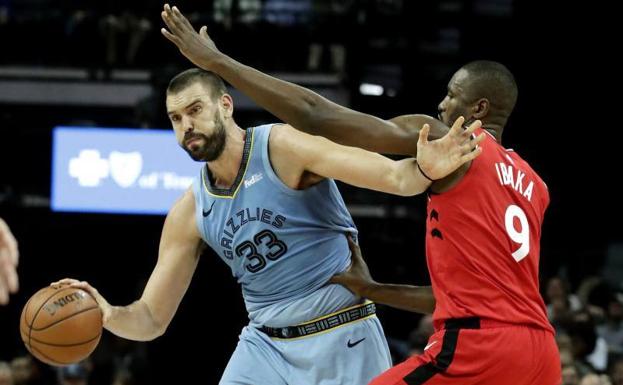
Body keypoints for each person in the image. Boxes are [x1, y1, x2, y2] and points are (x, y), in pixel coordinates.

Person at [159, 4, 561, 384]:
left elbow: (314, 116)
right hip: (540, 350)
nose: (442, 104)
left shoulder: (447, 140)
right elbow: (462, 298)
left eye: (453, 95)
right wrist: (373, 290)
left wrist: (218, 63)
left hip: (480, 345)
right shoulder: (534, 185)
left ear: (477, 110)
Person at [54, 65, 482, 385]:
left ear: (225, 105)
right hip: (265, 347)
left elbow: (394, 178)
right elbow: (150, 319)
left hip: (341, 332)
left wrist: (427, 166)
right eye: (175, 118)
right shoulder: (189, 210)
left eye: (195, 110)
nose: (186, 126)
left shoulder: (282, 146)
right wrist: (107, 313)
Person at [0, 217, 19, 305]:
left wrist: (13, 257)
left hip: (4, 255)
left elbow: (11, 242)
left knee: (13, 286)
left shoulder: (1, 224)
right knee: (3, 298)